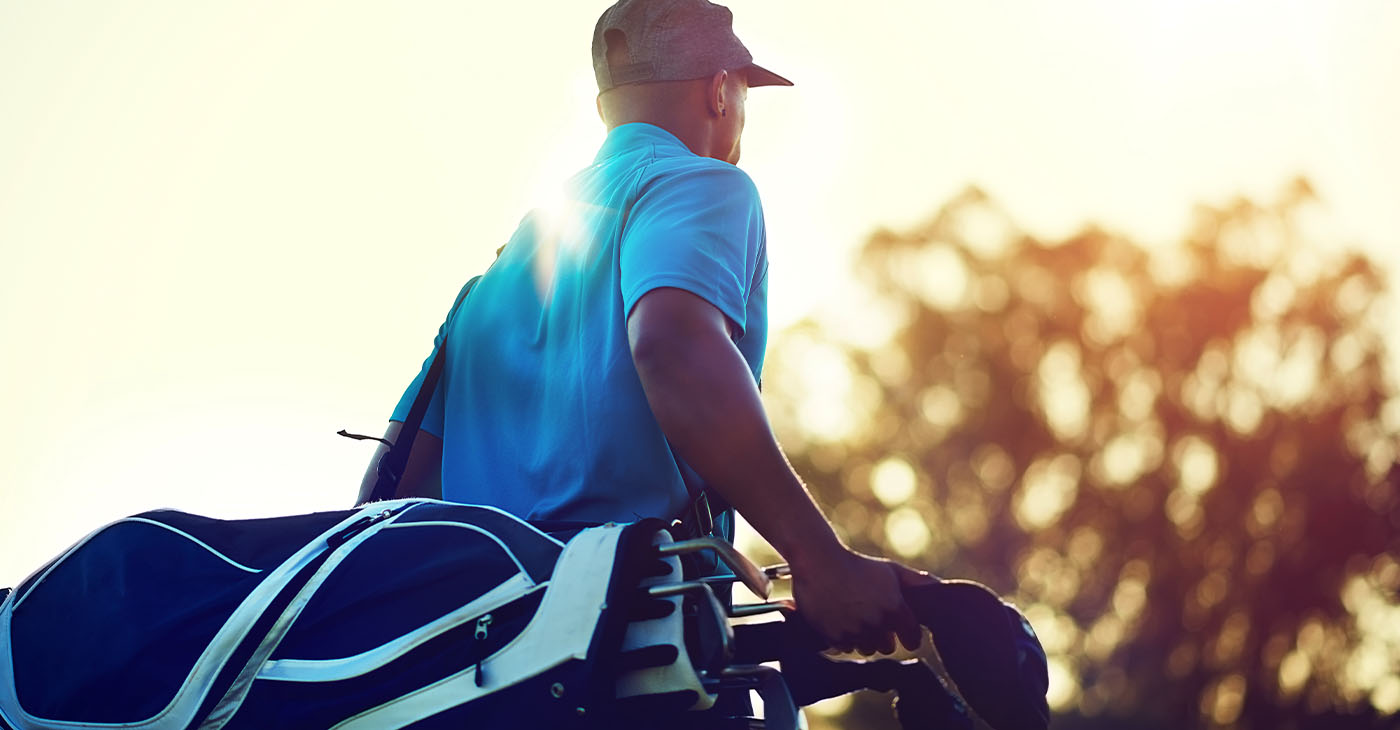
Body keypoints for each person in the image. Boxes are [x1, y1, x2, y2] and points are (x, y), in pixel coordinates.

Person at [357, 0, 932, 657]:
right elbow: (671, 345)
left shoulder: (498, 272)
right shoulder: (705, 185)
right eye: (745, 91)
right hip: (631, 649)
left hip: (477, 666)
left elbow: (392, 492)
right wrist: (819, 558)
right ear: (720, 90)